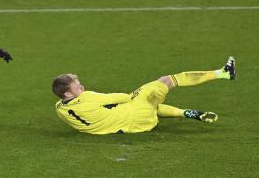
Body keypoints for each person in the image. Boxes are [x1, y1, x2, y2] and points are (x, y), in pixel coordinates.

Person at [52, 57, 236, 135]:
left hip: (130, 127)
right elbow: (124, 97)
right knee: (165, 81)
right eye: (78, 87)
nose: (82, 86)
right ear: (68, 93)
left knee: (148, 104)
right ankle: (224, 73)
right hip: (138, 115)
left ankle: (187, 113)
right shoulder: (89, 97)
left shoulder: (59, 109)